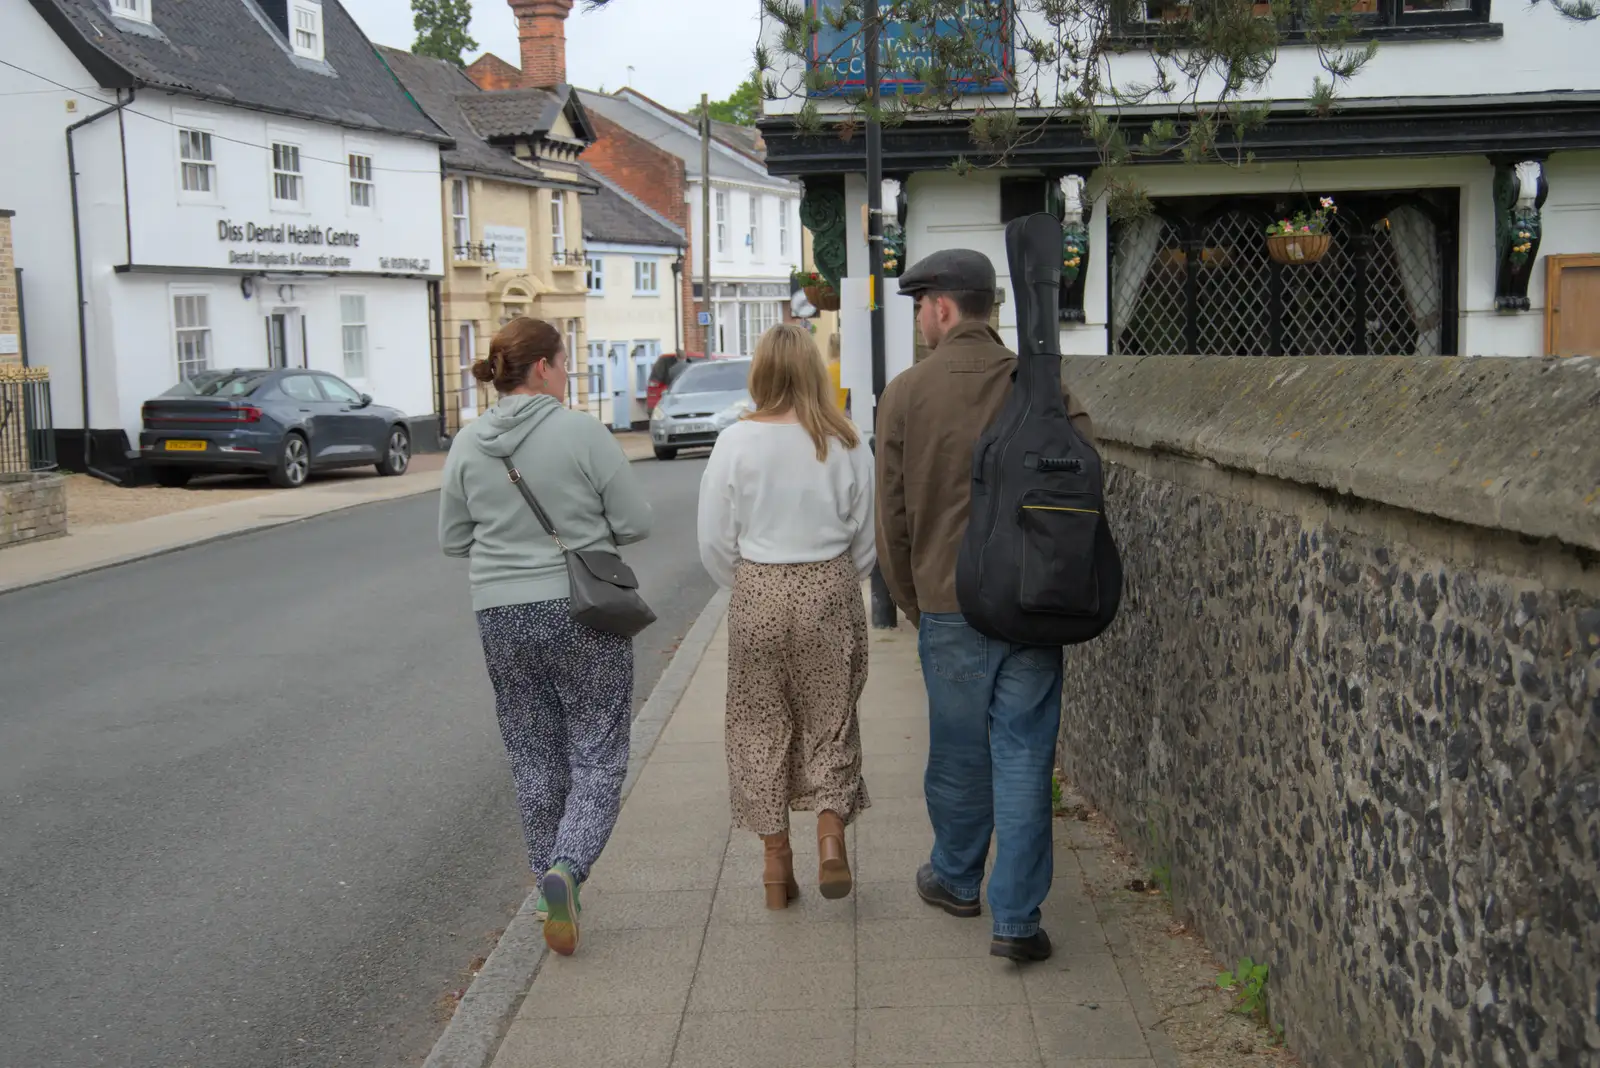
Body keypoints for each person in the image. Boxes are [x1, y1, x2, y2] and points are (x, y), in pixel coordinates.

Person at [874, 249, 1095, 963]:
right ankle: (1018, 920)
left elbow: (894, 519)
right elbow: (1085, 477)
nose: (918, 319)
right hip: (1032, 601)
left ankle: (958, 877)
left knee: (960, 753)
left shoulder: (906, 392)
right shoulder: (1039, 381)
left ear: (942, 306)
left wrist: (914, 601)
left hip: (948, 601)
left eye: (919, 306)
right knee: (1026, 754)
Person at [439, 316, 652, 957]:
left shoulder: (466, 444)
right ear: (542, 369)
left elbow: (453, 540)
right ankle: (567, 869)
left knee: (532, 751)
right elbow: (636, 522)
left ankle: (545, 886)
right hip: (581, 609)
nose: (567, 375)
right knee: (598, 747)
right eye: (564, 364)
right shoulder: (581, 431)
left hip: (499, 615)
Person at [697, 322, 876, 909]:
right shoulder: (847, 440)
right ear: (813, 373)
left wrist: (748, 582)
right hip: (828, 586)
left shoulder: (735, 442)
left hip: (759, 591)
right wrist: (838, 578)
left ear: (761, 373)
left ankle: (777, 867)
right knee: (831, 716)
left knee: (757, 726)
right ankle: (830, 836)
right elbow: (866, 542)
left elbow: (714, 540)